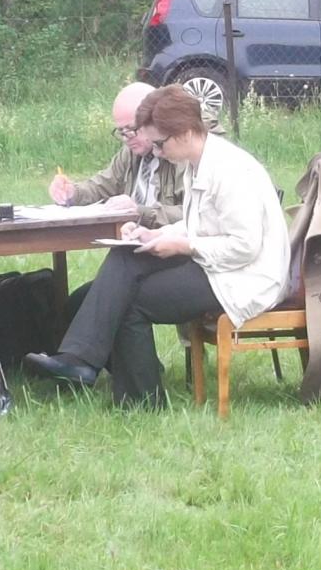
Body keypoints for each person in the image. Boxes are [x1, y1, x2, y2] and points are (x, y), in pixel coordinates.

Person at [24, 85, 289, 408]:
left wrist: (184, 245)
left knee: (129, 300)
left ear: (185, 132)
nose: (158, 153)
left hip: (246, 278)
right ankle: (80, 361)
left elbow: (245, 247)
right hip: (218, 266)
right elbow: (199, 223)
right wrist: (153, 235)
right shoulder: (200, 161)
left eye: (160, 144)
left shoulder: (230, 170)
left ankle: (140, 400)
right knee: (127, 256)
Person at [48, 81, 183, 228]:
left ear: (154, 120)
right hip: (132, 233)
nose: (126, 138)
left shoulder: (180, 153)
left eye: (131, 129)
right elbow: (103, 186)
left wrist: (140, 212)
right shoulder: (131, 151)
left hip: (168, 238)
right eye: (121, 131)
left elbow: (193, 213)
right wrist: (73, 192)